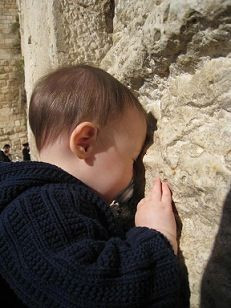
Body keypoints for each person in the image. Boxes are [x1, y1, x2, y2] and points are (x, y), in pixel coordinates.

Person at [0, 65, 184, 307]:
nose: (135, 174)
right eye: (133, 158)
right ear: (85, 143)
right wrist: (157, 237)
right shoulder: (38, 207)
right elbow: (91, 291)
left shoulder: (40, 200)